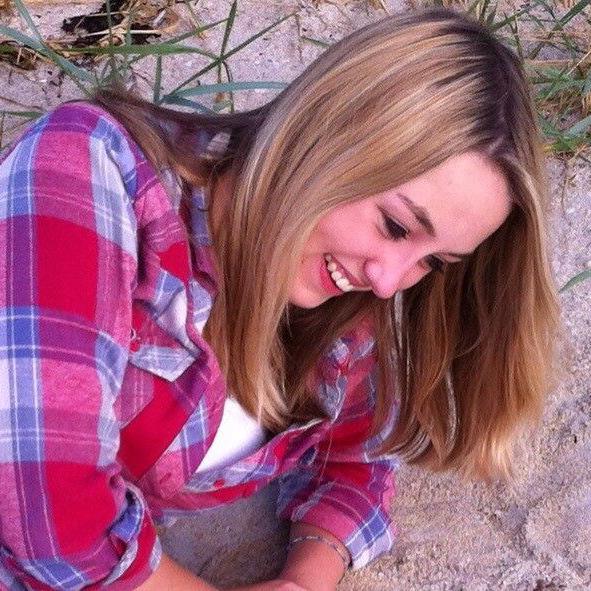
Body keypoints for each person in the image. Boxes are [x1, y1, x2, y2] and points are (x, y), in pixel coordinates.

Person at [0, 6, 559, 591]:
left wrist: (305, 577)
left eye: (432, 261)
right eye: (395, 226)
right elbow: (51, 519)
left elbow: (356, 457)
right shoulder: (88, 174)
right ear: (328, 137)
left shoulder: (334, 298)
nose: (390, 279)